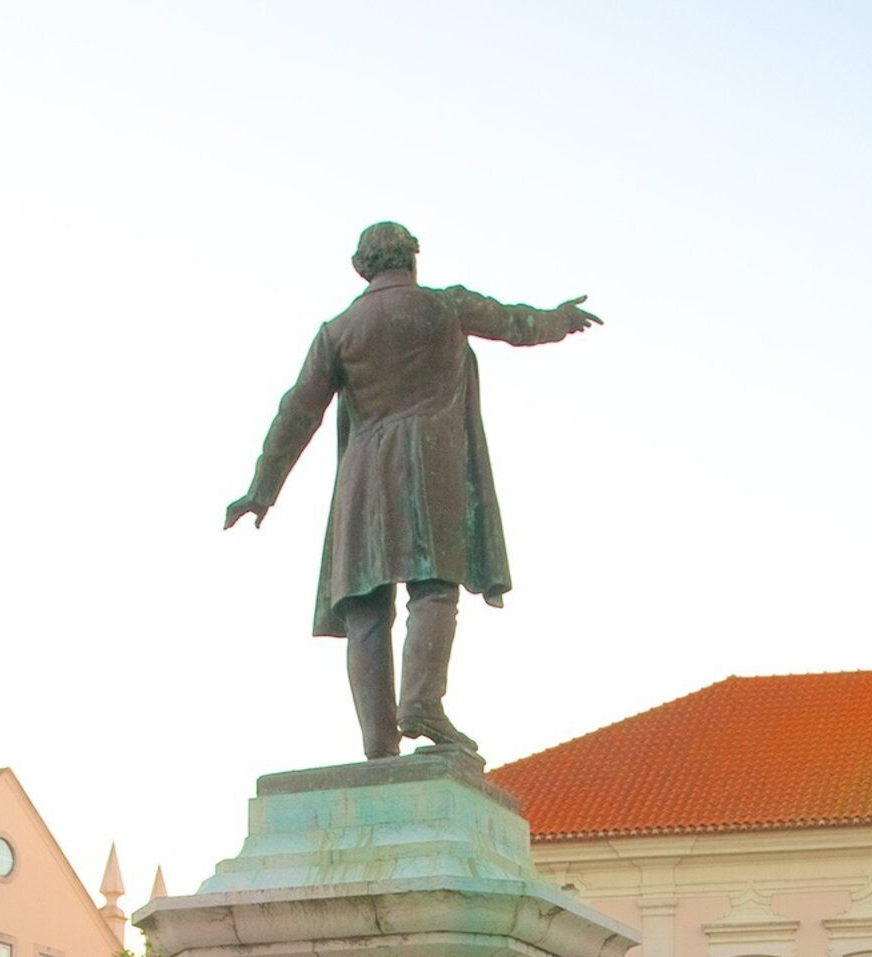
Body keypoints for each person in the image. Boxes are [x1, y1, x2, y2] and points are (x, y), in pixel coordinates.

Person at [229, 222, 599, 760]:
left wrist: (261, 488)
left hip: (364, 471)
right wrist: (560, 320)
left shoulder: (339, 330)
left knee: (365, 605)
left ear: (363, 266)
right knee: (433, 586)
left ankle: (379, 741)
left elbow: (298, 410)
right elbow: (515, 322)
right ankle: (422, 700)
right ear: (412, 259)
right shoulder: (445, 307)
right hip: (430, 463)